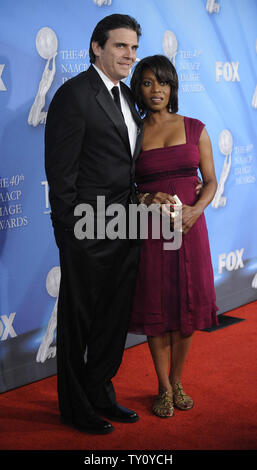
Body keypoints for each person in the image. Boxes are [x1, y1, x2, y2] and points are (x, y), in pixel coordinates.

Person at [44, 14, 144, 434]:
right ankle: (75, 406)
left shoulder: (129, 96)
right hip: (87, 230)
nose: (129, 55)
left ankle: (100, 390)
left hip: (127, 225)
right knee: (78, 322)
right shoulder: (74, 95)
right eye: (121, 46)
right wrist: (69, 237)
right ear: (96, 47)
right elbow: (61, 173)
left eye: (134, 48)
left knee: (113, 319)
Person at [129, 55, 218, 418]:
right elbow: (122, 186)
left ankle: (177, 379)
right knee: (157, 307)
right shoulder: (132, 134)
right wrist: (144, 196)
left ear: (172, 87)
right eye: (148, 83)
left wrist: (197, 210)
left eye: (163, 83)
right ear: (139, 88)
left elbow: (210, 181)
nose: (156, 90)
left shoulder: (195, 127)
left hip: (189, 229)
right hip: (149, 231)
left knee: (187, 305)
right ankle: (163, 388)